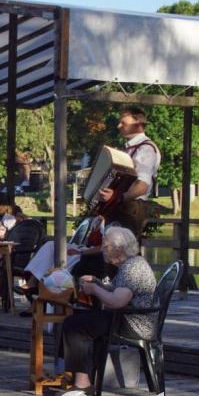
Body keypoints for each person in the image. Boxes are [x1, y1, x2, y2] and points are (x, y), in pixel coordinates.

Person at [61, 227, 157, 394]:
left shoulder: (133, 268)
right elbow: (116, 290)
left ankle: (82, 383)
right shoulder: (131, 263)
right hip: (129, 318)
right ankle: (74, 375)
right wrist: (97, 282)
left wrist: (94, 290)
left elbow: (117, 301)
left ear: (119, 248)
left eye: (106, 246)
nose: (103, 249)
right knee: (76, 318)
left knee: (75, 324)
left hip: (134, 323)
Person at [73, 107, 160, 280]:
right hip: (120, 207)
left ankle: (129, 292)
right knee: (112, 253)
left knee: (122, 253)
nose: (119, 126)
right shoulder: (128, 150)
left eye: (124, 122)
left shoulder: (146, 149)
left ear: (139, 124)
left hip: (131, 207)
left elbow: (142, 186)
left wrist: (118, 197)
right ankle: (110, 292)